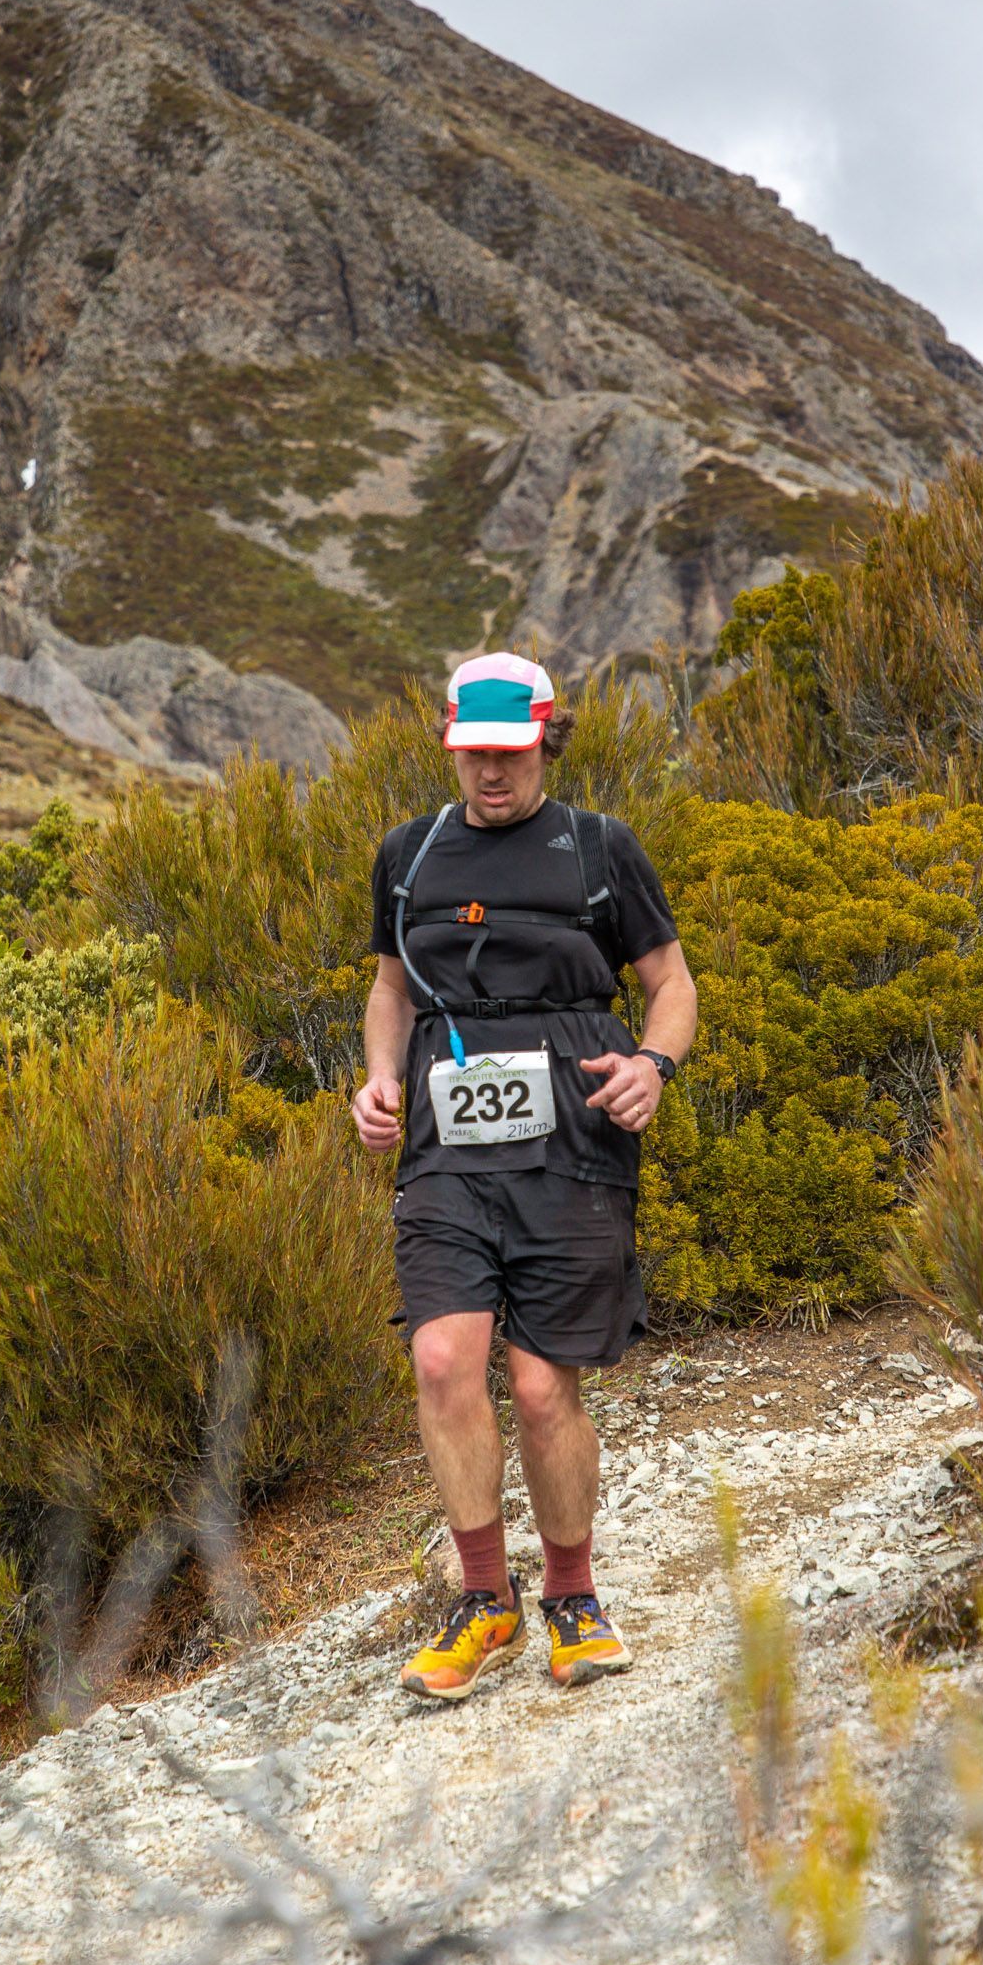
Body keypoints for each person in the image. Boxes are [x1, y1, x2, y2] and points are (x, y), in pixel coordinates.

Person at [351, 651, 698, 1701]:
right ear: (449, 747)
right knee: (445, 1361)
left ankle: (572, 1595)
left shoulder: (599, 850)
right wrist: (375, 1080)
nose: (488, 775)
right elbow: (388, 991)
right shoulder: (407, 857)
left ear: (547, 738)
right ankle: (482, 1600)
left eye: (506, 754)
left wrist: (651, 1064)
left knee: (545, 1386)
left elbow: (671, 981)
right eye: (471, 755)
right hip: (448, 1154)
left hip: (573, 1144)